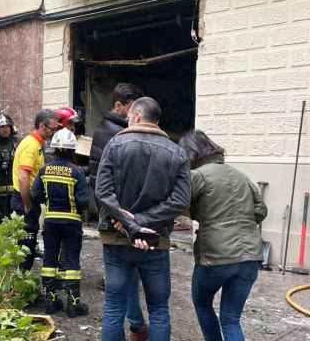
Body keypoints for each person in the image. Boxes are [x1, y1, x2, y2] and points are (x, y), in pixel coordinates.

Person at [95, 97, 191, 341]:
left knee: (114, 307)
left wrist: (129, 222)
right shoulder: (177, 152)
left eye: (129, 117)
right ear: (156, 121)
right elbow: (180, 201)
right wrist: (143, 221)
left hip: (116, 239)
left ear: (136, 116)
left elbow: (103, 192)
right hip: (155, 241)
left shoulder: (115, 145)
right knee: (159, 310)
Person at [179, 130, 267, 341]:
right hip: (250, 257)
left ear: (190, 154)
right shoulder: (240, 175)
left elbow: (180, 204)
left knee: (202, 303)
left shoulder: (197, 176)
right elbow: (261, 211)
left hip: (216, 257)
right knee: (231, 318)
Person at [89, 83, 148, 340]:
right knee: (118, 289)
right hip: (117, 220)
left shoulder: (119, 130)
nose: (137, 114)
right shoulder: (110, 133)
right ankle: (136, 325)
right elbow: (100, 181)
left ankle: (136, 324)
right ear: (119, 106)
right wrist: (116, 217)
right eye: (132, 108)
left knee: (128, 279)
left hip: (129, 218)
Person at [32, 128, 89, 317]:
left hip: (51, 221)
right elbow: (84, 201)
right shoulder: (77, 172)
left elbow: (35, 195)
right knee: (71, 260)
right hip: (72, 222)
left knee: (49, 259)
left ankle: (51, 302)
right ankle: (73, 305)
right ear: (73, 150)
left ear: (53, 149)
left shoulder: (44, 170)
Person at [12, 109, 60, 270]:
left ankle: (20, 282)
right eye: (51, 129)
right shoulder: (31, 145)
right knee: (26, 246)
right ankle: (19, 286)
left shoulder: (37, 144)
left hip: (27, 199)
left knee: (28, 245)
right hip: (24, 199)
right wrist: (27, 205)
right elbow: (23, 177)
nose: (53, 132)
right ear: (41, 125)